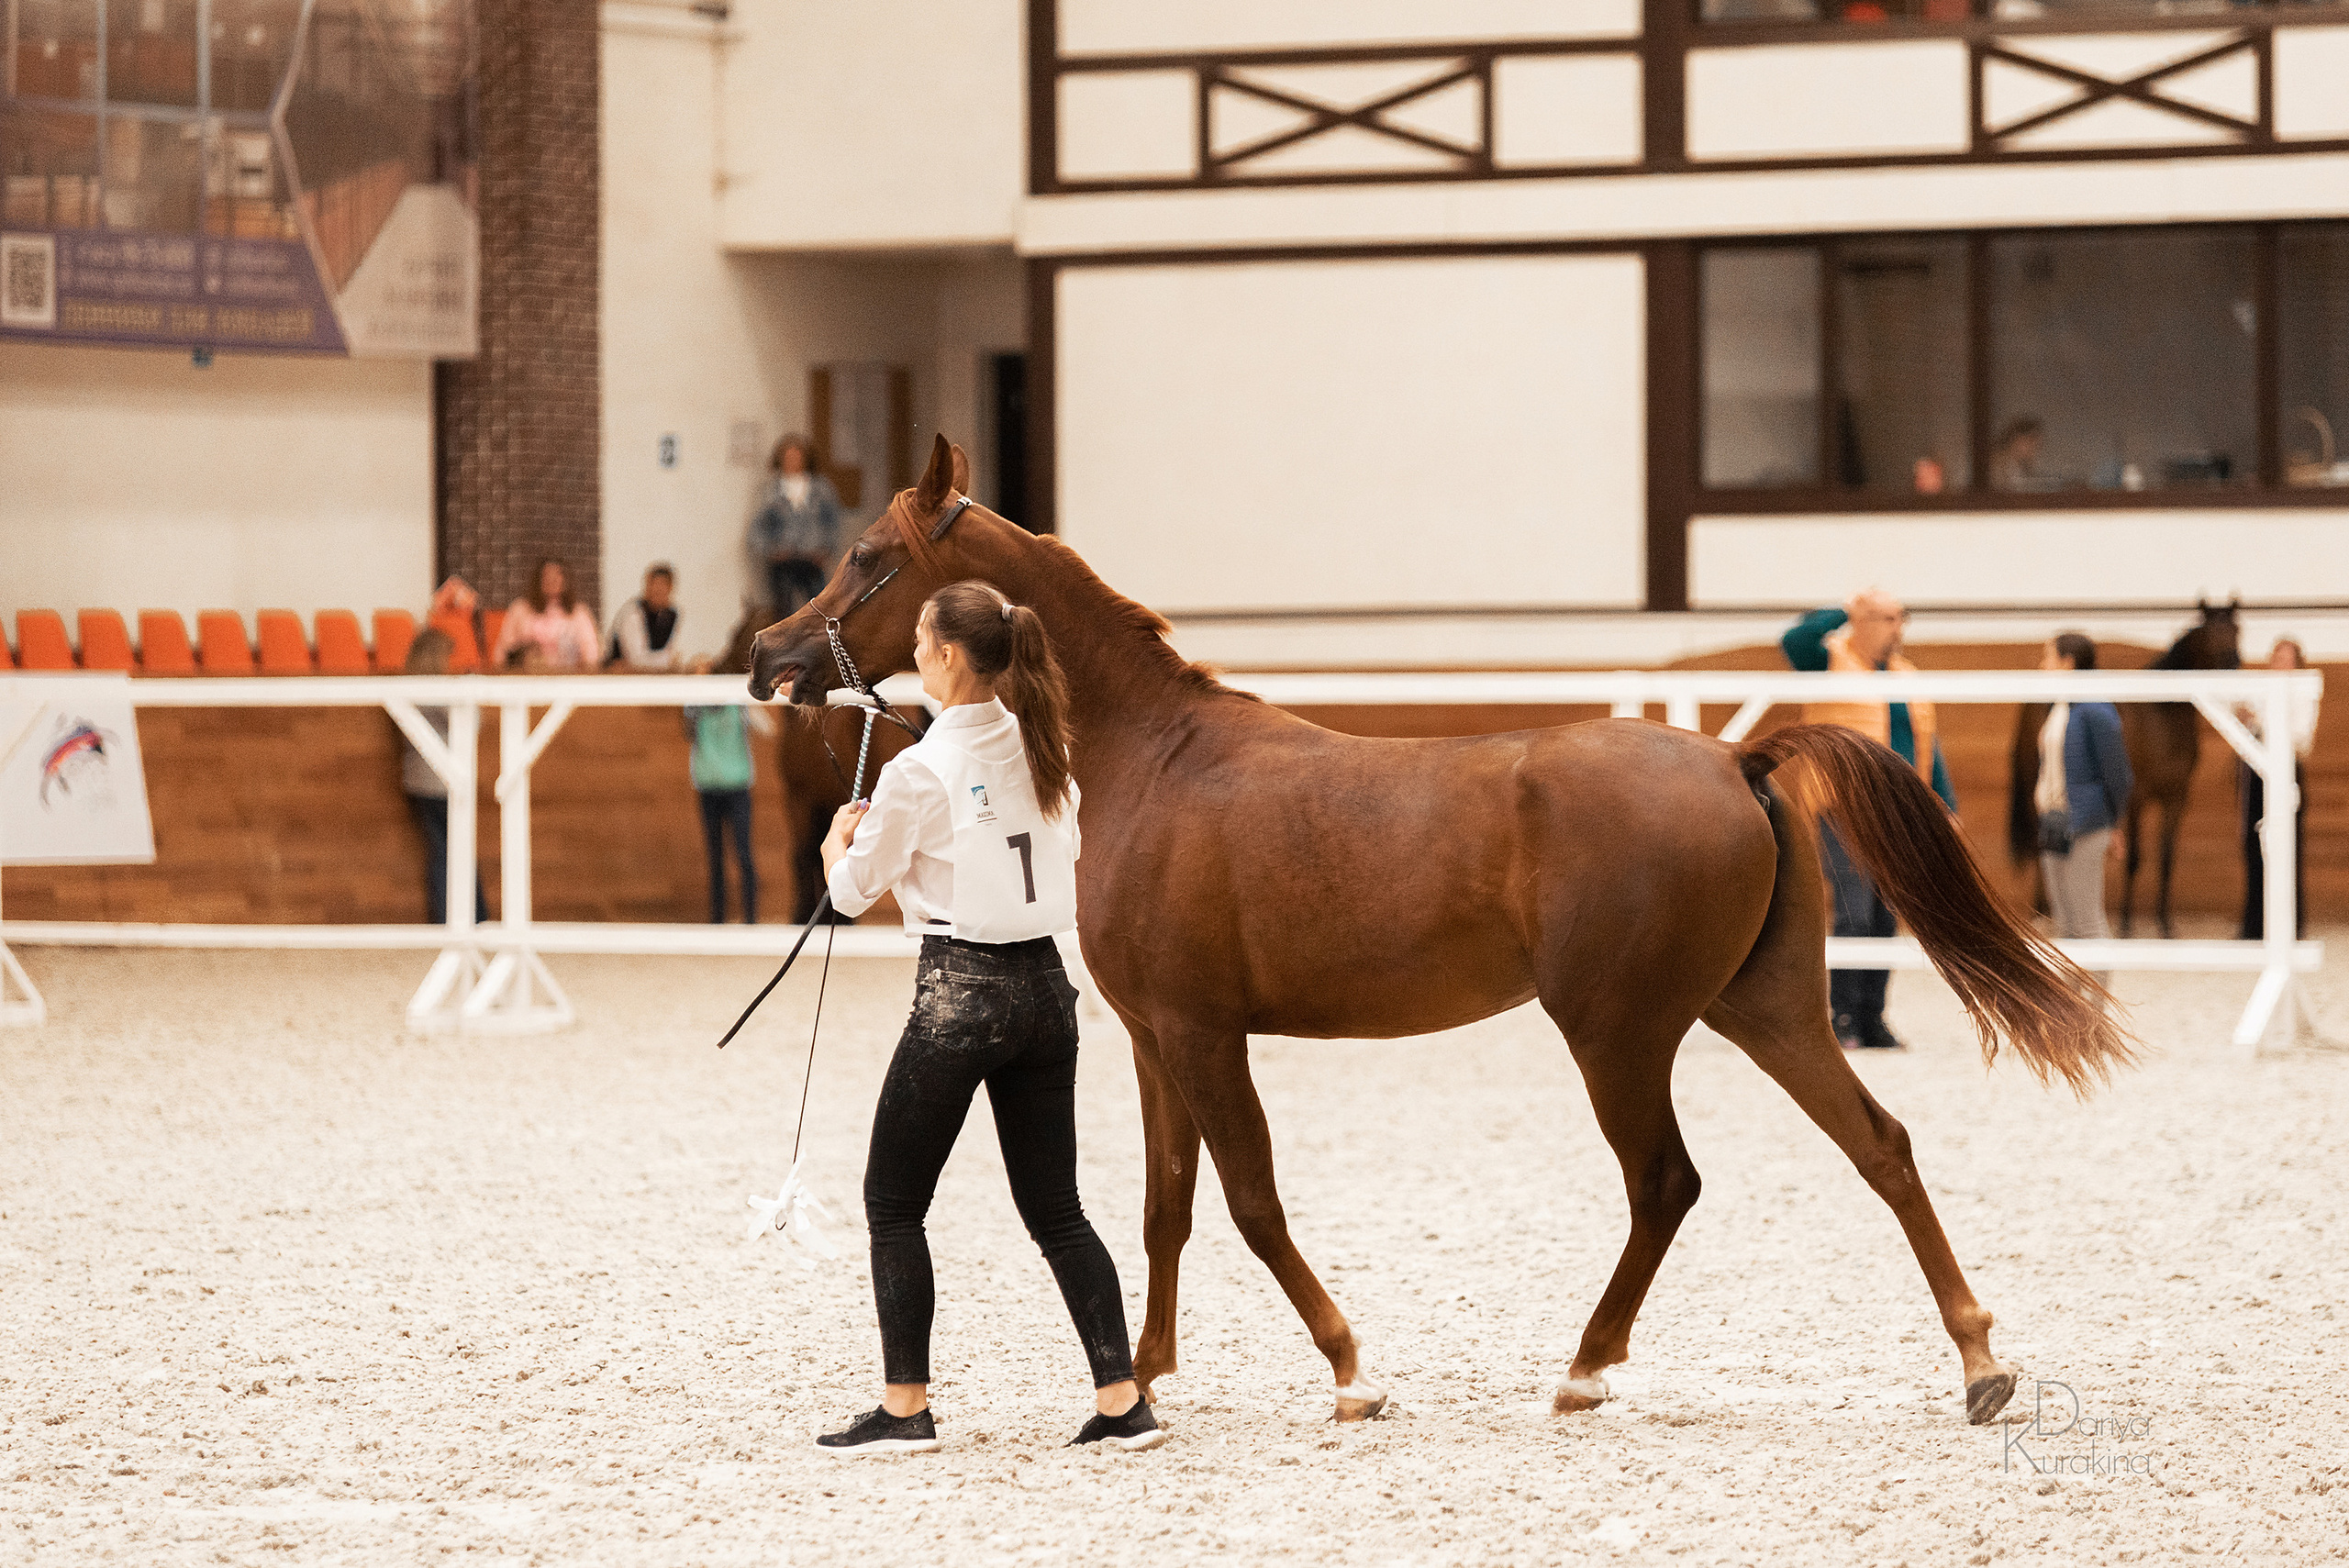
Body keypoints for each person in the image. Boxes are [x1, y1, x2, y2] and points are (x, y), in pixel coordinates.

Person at [812, 580, 1162, 1457]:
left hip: (959, 992)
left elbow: (852, 894)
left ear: (952, 659)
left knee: (892, 1202)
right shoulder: (1045, 746)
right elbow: (1065, 849)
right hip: (1046, 989)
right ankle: (1121, 1400)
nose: (917, 655)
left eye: (926, 643)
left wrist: (835, 846)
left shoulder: (917, 771)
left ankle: (905, 1408)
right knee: (1058, 1209)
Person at [1782, 589, 1957, 1053]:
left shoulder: (1906, 676)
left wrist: (1945, 806)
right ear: (1862, 622)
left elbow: (1927, 746)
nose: (1897, 628)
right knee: (1854, 913)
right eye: (1887, 618)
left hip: (1900, 815)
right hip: (1845, 809)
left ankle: (1873, 1016)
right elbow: (1793, 638)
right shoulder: (1827, 661)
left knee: (1886, 917)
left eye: (1901, 619)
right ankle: (1842, 1017)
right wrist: (1844, 610)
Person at [2033, 634, 2132, 977]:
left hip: (2085, 822)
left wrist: (2114, 821)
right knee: (2065, 921)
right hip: (2053, 820)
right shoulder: (2061, 705)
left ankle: (2098, 1007)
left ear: (2068, 662)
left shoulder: (2095, 709)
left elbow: (2117, 772)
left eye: (2048, 657)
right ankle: (2072, 1005)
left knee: (2087, 917)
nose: (2042, 666)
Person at [397, 628, 490, 926]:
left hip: (418, 780)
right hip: (442, 780)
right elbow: (469, 723)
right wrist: (471, 690)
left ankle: (450, 918)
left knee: (442, 852)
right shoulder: (435, 690)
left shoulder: (409, 686)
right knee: (455, 852)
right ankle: (470, 918)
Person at [2239, 639, 2316, 941]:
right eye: (2275, 657)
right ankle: (2254, 926)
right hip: (2257, 774)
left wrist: (2261, 722)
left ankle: (2290, 926)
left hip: (2286, 773)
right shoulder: (2260, 689)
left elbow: (2301, 739)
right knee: (2252, 847)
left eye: (2285, 659)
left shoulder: (2303, 693)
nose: (2279, 664)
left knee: (2287, 847)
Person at [684, 657, 771, 923]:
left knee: (744, 855)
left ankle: (750, 919)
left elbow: (768, 728)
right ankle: (717, 919)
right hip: (709, 786)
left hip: (736, 786)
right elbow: (688, 728)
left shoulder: (737, 704)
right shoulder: (694, 708)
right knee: (716, 859)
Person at [751, 435, 843, 617]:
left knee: (818, 610)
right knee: (784, 613)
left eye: (797, 456)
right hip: (783, 561)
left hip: (812, 559)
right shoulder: (771, 490)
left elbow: (834, 522)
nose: (792, 461)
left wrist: (826, 549)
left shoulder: (821, 488)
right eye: (788, 456)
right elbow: (757, 527)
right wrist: (771, 550)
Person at [492, 557, 602, 671]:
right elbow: (503, 651)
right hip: (527, 678)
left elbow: (591, 654)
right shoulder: (520, 609)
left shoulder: (578, 613)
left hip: (568, 679)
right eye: (547, 575)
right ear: (538, 580)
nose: (552, 579)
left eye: (557, 575)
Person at [608, 563, 683, 670]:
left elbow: (676, 652)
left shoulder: (672, 615)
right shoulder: (633, 613)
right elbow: (636, 660)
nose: (657, 590)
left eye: (662, 585)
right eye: (653, 585)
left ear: (670, 588)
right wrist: (668, 660)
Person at [1989, 416, 2053, 492]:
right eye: (2031, 440)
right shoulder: (1998, 465)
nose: (2035, 448)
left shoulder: (2023, 465)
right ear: (2015, 439)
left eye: (2038, 444)